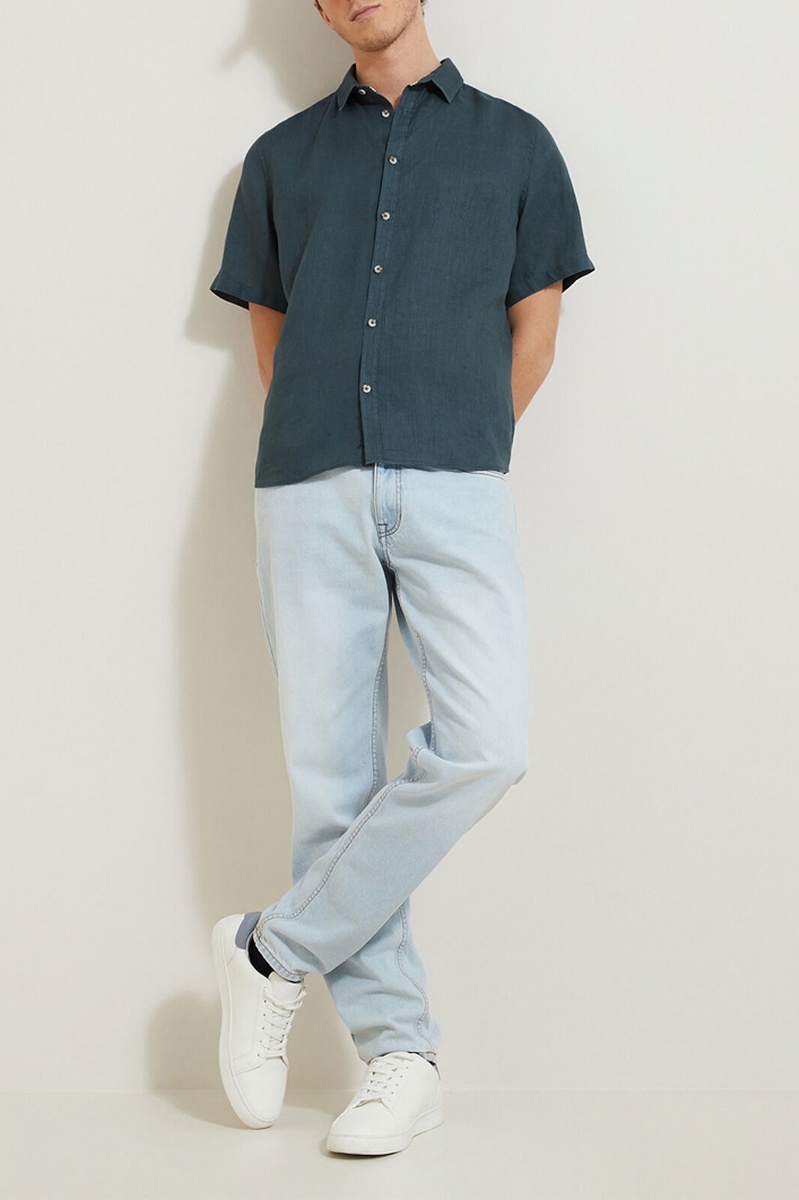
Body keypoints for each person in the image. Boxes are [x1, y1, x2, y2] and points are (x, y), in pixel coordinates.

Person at [209, 0, 594, 1157]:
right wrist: (325, 440)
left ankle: (268, 951)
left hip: (455, 478)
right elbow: (269, 332)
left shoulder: (516, 144)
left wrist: (457, 442)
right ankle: (399, 1056)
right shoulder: (278, 160)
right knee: (330, 781)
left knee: (487, 744)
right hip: (307, 484)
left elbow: (535, 333)